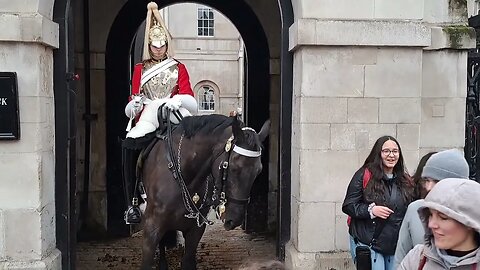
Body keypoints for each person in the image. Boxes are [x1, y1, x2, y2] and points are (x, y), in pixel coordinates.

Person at [122, 2, 198, 225]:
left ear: (166, 45)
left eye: (161, 45)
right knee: (129, 145)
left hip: (175, 111)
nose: (158, 49)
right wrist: (134, 105)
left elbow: (189, 97)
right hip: (148, 114)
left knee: (199, 142)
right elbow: (134, 95)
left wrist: (178, 100)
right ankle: (133, 203)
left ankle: (205, 194)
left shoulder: (178, 67)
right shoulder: (140, 69)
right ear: (149, 45)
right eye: (154, 46)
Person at [342, 135, 414, 270]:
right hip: (369, 242)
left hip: (394, 245)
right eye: (386, 151)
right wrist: (371, 211)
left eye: (395, 151)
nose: (391, 155)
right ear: (378, 153)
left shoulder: (405, 180)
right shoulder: (364, 175)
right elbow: (348, 205)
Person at [394, 149, 470, 268]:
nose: (429, 187)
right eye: (427, 180)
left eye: (436, 181)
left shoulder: (472, 218)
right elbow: (401, 256)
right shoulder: (415, 209)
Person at [399, 178, 480, 269]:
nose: (431, 224)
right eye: (430, 214)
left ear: (470, 223)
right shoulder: (417, 258)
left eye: (443, 218)